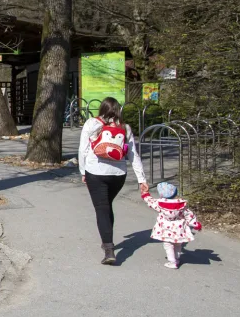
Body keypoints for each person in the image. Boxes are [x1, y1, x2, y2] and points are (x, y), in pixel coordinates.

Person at [79, 97, 148, 265]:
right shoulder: (125, 128)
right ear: (118, 110)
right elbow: (133, 155)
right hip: (118, 175)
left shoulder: (92, 124)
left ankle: (109, 249)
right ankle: (106, 241)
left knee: (102, 208)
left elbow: (83, 150)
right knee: (106, 205)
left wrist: (82, 171)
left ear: (101, 109)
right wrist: (142, 179)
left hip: (95, 172)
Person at [140, 182, 202, 269]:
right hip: (179, 228)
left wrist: (145, 193)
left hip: (166, 228)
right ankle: (176, 259)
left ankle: (172, 262)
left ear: (161, 195)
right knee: (178, 244)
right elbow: (189, 214)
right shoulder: (181, 205)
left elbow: (150, 201)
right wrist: (195, 224)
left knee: (168, 244)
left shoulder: (160, 204)